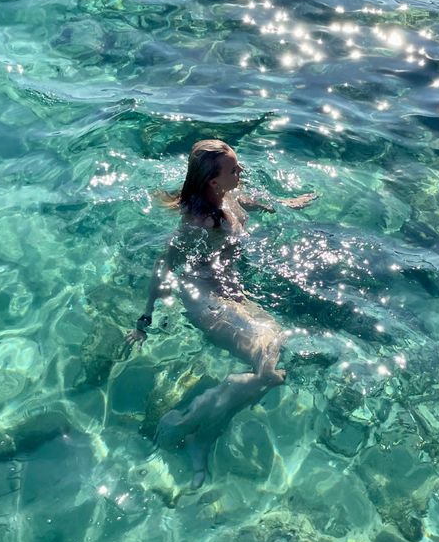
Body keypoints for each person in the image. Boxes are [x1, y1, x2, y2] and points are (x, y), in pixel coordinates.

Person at [125, 139, 316, 486]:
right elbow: (164, 264)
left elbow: (246, 201)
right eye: (233, 170)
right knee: (269, 368)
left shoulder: (226, 196)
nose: (241, 171)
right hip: (207, 299)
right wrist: (144, 319)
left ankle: (202, 434)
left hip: (232, 295)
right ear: (213, 181)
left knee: (274, 352)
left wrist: (287, 204)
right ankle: (187, 421)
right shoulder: (199, 222)